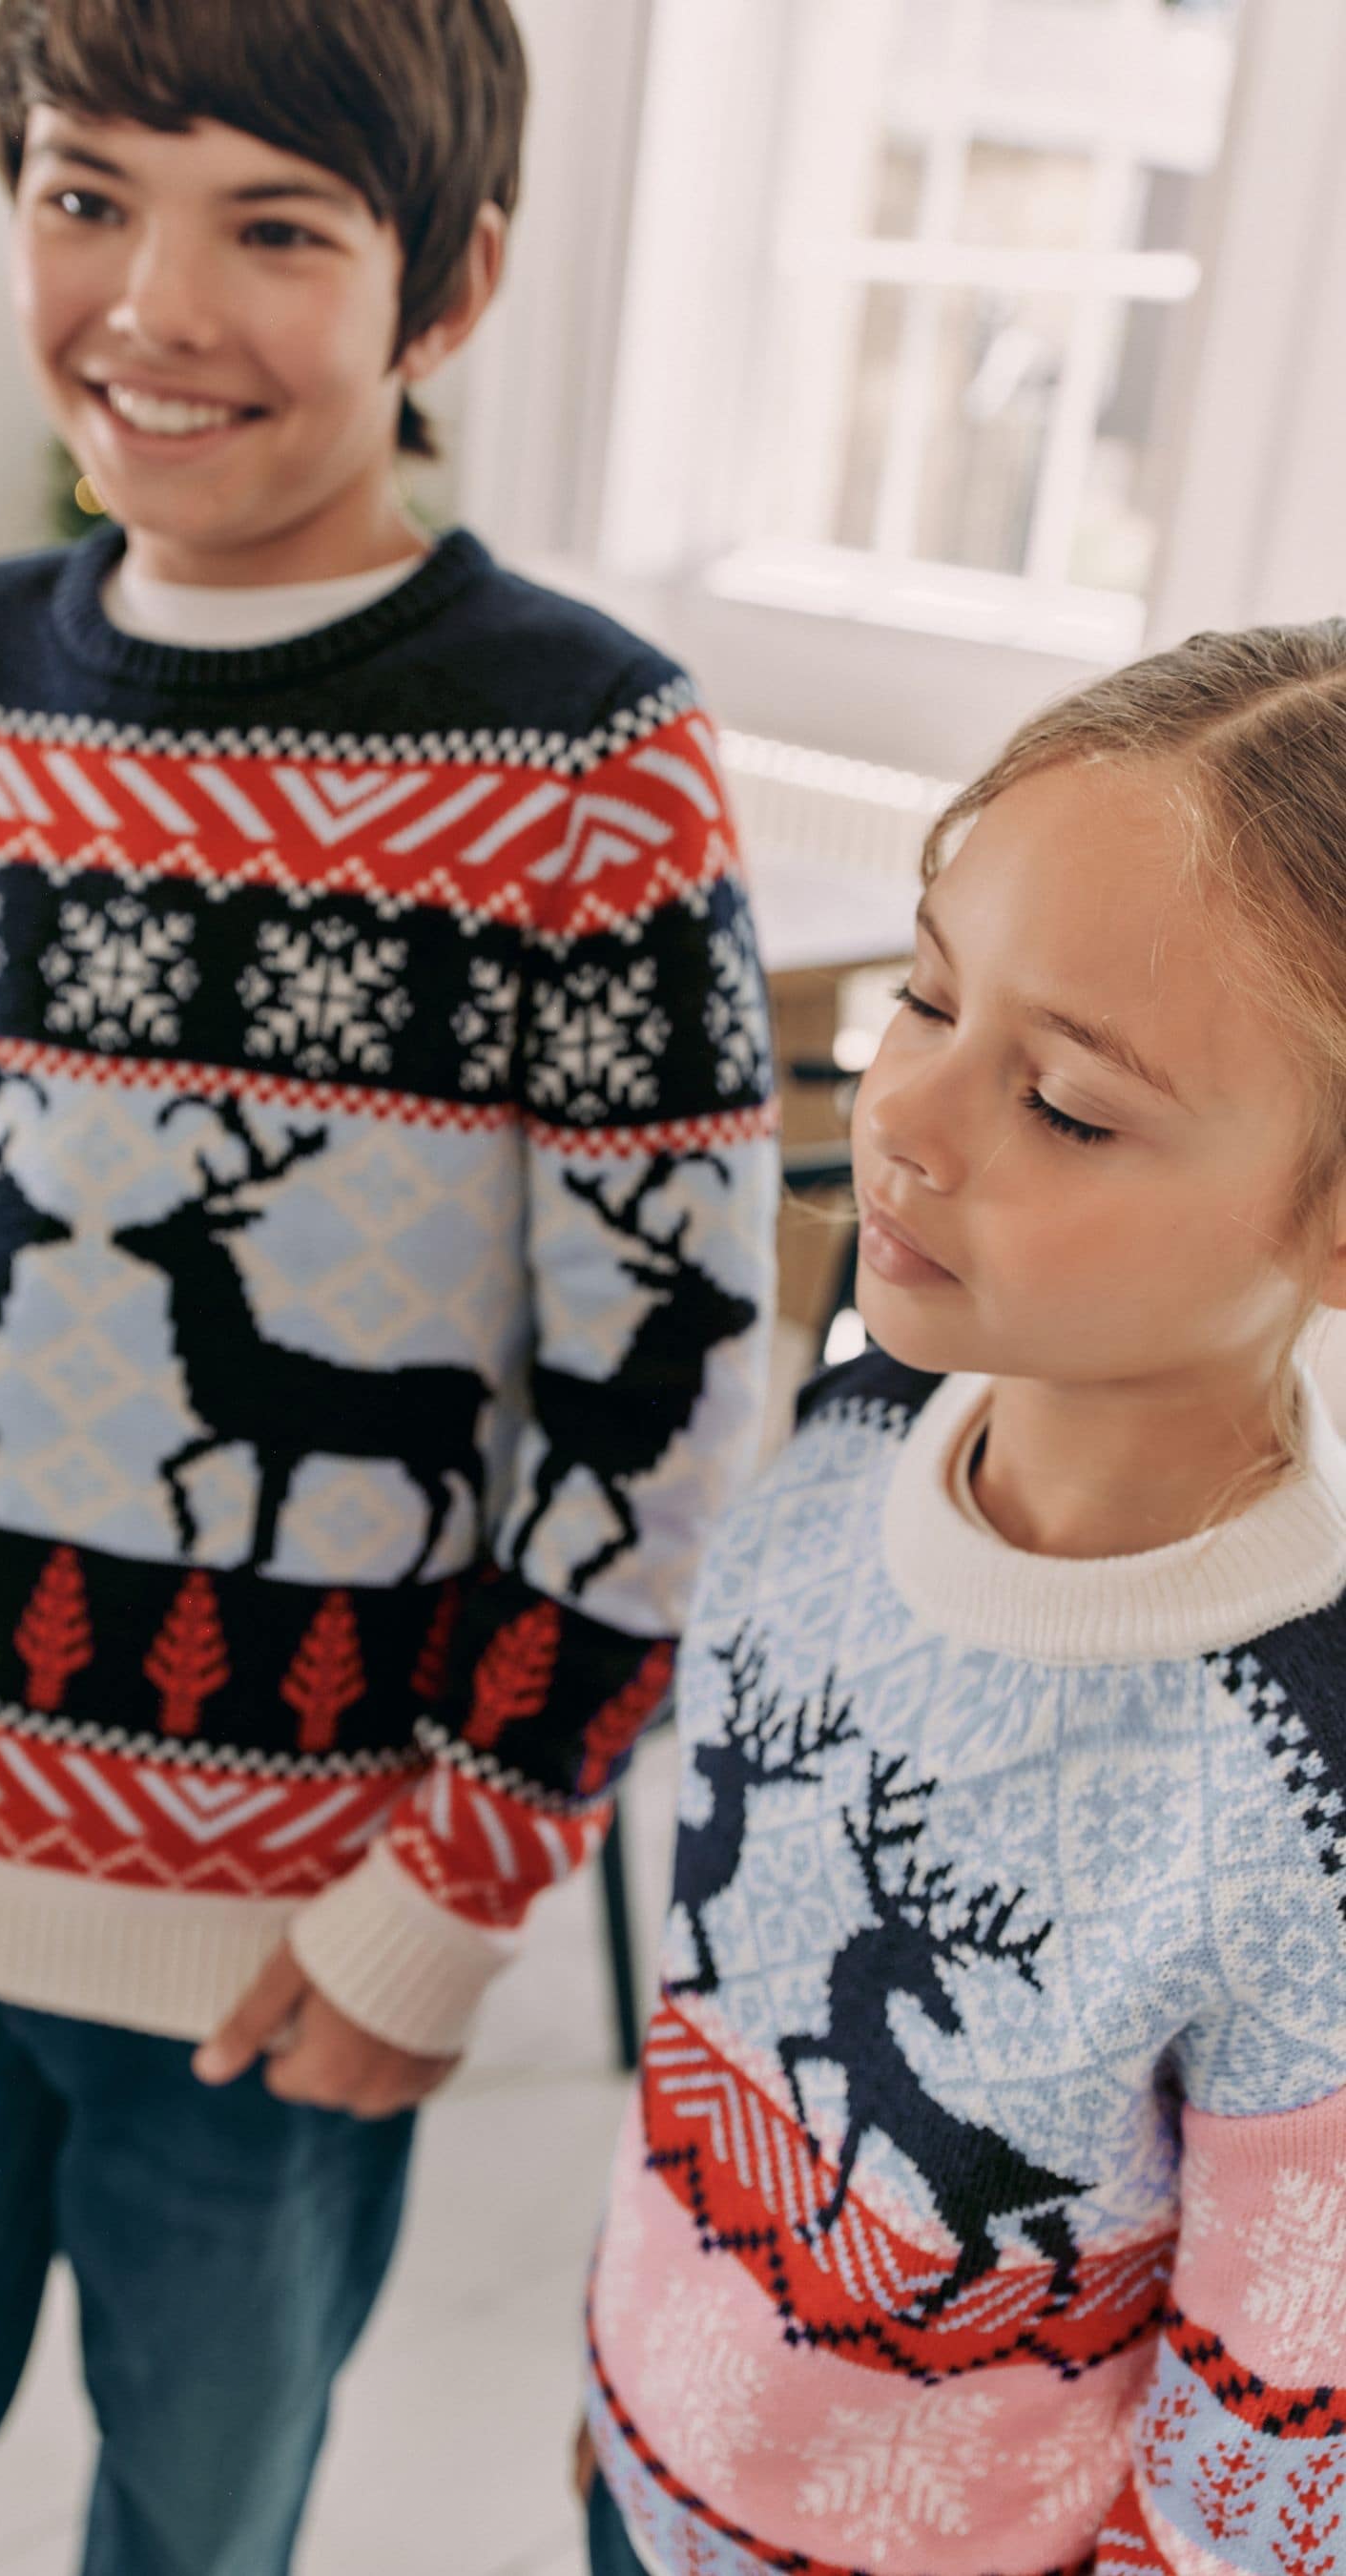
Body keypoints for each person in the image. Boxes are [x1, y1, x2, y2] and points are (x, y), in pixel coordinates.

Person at [0, 5, 778, 2570]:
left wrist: (455, 1877)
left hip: (289, 1936)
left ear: (451, 284)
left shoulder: (591, 765)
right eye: (83, 196)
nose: (152, 301)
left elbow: (667, 1406)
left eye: (275, 225)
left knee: (202, 2519)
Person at [580, 624, 1346, 2575]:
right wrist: (629, 2394)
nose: (908, 1119)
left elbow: (1273, 2435)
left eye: (1068, 1106)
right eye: (926, 1000)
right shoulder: (843, 1435)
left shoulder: (1298, 1799)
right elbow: (720, 1991)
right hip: (650, 2468)